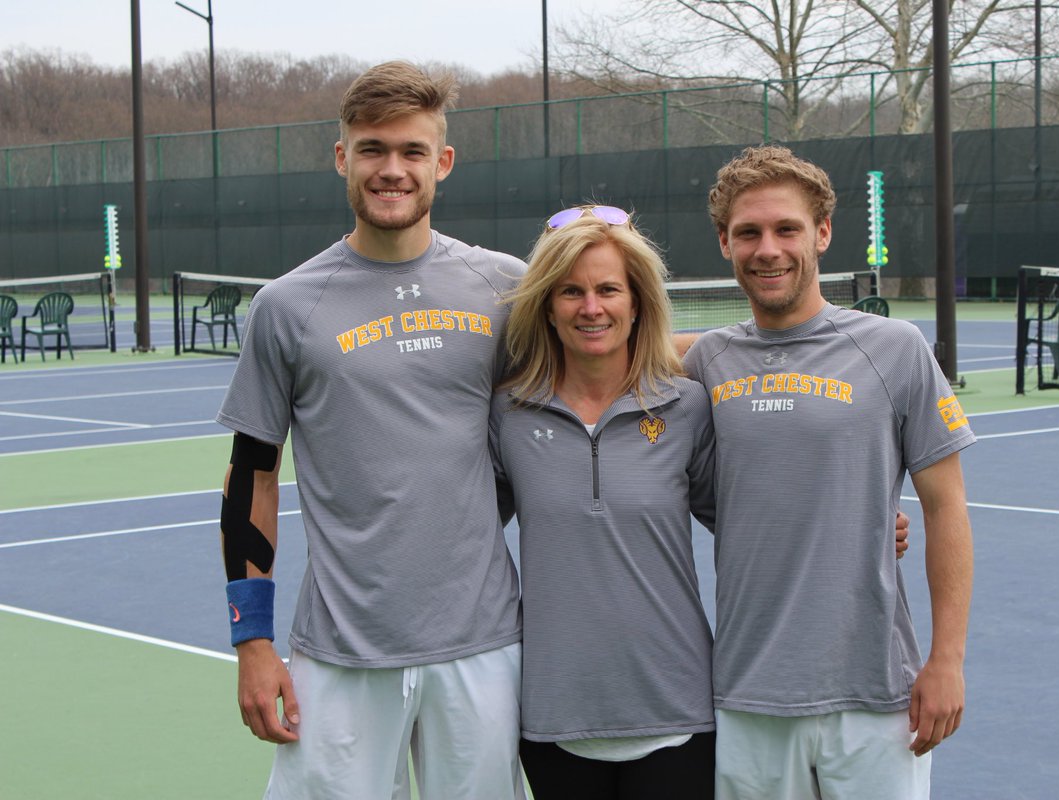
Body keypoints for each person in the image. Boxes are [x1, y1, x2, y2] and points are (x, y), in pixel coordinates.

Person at [215, 61, 526, 800]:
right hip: (340, 653)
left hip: (482, 649)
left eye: (413, 152)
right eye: (373, 150)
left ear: (442, 162)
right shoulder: (286, 307)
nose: (393, 170)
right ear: (342, 158)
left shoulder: (507, 288)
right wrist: (251, 643)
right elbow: (251, 477)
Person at [682, 145, 975, 799]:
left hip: (875, 694)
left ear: (822, 233)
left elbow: (946, 506)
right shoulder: (706, 362)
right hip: (746, 695)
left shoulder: (894, 350)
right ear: (724, 242)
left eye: (787, 229)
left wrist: (946, 660)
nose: (768, 249)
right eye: (749, 232)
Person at [488, 205, 719, 799]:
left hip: (679, 714)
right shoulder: (508, 415)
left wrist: (866, 522)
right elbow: (459, 528)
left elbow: (753, 521)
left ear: (637, 302)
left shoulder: (688, 408)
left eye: (608, 289)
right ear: (547, 305)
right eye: (571, 291)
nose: (591, 308)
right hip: (552, 721)